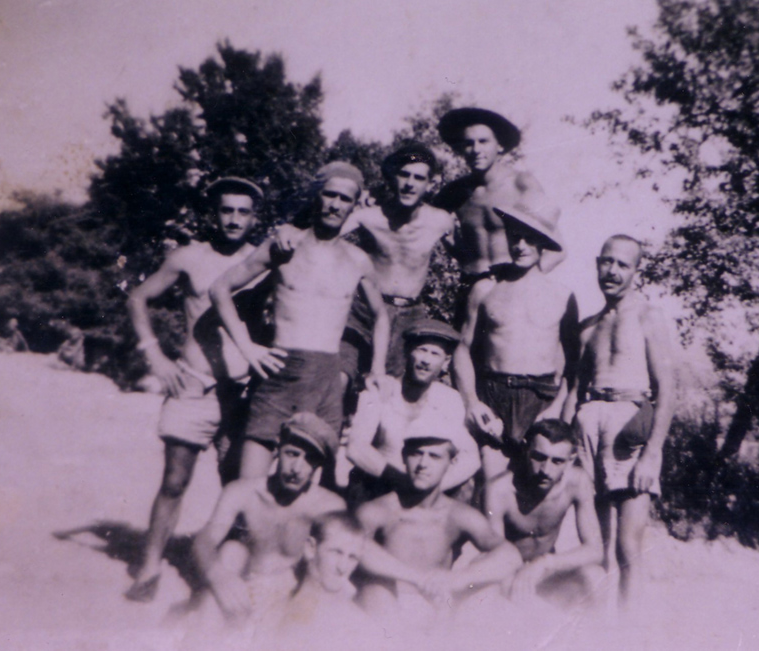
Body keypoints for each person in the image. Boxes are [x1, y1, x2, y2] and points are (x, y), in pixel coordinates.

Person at [124, 176, 265, 602]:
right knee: (174, 480)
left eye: (243, 212)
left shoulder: (263, 260)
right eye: (226, 210)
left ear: (255, 218)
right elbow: (137, 297)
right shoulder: (189, 257)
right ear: (213, 214)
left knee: (239, 484)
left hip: (242, 391)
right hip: (194, 386)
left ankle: (228, 566)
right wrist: (154, 355)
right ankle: (150, 566)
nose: (234, 219)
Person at [211, 162, 389, 480]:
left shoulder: (358, 260)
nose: (335, 204)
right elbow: (220, 289)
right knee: (249, 482)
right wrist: (248, 347)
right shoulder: (285, 245)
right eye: (329, 195)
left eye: (345, 199)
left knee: (305, 485)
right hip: (281, 369)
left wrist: (377, 368)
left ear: (354, 205)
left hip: (326, 376)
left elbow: (381, 316)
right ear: (316, 196)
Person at [562, 234, 676, 609]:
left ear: (636, 271)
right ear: (597, 263)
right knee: (596, 544)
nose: (612, 271)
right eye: (607, 262)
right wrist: (564, 441)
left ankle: (630, 631)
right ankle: (599, 625)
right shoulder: (588, 327)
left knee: (629, 545)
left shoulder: (647, 316)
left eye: (623, 265)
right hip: (588, 424)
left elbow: (667, 389)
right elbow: (574, 389)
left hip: (628, 425)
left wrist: (652, 454)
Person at [453, 199, 580, 480]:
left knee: (535, 484)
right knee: (491, 482)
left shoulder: (562, 296)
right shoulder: (485, 289)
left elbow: (574, 365)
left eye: (530, 239)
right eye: (515, 237)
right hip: (493, 395)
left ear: (543, 242)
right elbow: (462, 349)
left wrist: (557, 407)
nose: (520, 246)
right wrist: (472, 401)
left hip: (541, 400)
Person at [192, 413, 346, 625]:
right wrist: (218, 575)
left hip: (292, 597)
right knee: (231, 552)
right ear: (277, 448)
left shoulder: (328, 506)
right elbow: (205, 539)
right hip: (244, 590)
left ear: (318, 466)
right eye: (292, 454)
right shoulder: (243, 492)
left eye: (309, 459)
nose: (297, 468)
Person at [354, 436, 522, 620]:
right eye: (416, 454)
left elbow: (510, 555)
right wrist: (417, 578)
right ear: (403, 456)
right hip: (387, 606)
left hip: (436, 602)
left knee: (487, 590)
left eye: (434, 456)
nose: (423, 464)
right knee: (376, 590)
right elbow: (355, 545)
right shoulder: (379, 509)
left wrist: (459, 578)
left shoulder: (457, 513)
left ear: (451, 462)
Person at [332, 143, 457, 382]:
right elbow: (322, 234)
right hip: (364, 311)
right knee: (341, 377)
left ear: (430, 184)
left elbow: (467, 257)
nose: (410, 184)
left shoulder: (440, 221)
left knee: (393, 387)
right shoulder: (369, 216)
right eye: (404, 175)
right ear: (392, 177)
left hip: (410, 315)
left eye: (418, 178)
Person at [434, 107, 565, 322]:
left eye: (483, 141)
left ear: (500, 146)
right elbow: (425, 221)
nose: (476, 149)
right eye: (468, 143)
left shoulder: (521, 184)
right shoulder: (455, 191)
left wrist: (523, 280)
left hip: (512, 289)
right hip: (470, 288)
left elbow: (559, 249)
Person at [346, 318, 479, 506]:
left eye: (435, 353)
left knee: (465, 487)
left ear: (446, 362)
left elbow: (470, 456)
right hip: (382, 483)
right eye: (421, 350)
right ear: (407, 352)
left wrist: (433, 488)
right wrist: (403, 481)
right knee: (359, 484)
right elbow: (356, 449)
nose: (426, 360)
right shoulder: (381, 391)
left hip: (426, 488)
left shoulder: (449, 399)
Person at [485, 419, 604, 607]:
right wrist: (518, 579)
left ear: (571, 460)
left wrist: (544, 563)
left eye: (557, 461)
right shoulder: (499, 490)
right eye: (539, 457)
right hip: (507, 574)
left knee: (594, 575)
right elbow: (495, 557)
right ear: (526, 450)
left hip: (544, 572)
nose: (546, 470)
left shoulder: (577, 482)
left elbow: (595, 550)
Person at [279, 512, 369, 630]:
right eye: (336, 552)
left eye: (352, 557)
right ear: (310, 548)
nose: (342, 567)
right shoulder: (274, 611)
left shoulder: (358, 624)